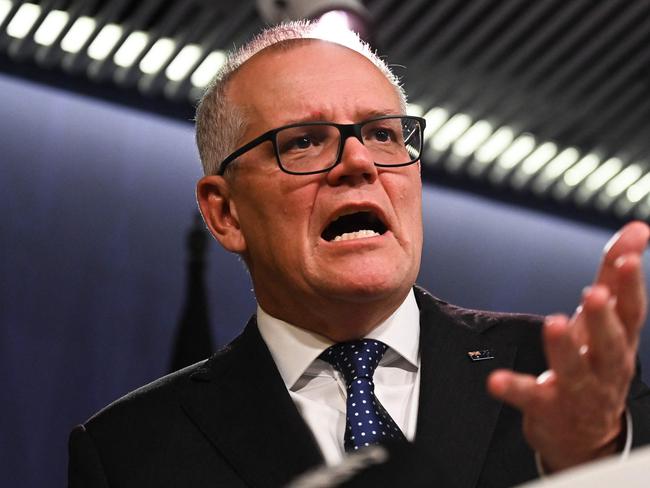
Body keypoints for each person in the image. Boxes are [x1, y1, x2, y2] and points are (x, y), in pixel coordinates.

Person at [68, 21, 650, 487]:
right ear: (225, 213)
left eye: (383, 134)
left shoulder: (557, 376)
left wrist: (591, 464)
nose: (359, 163)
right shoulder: (130, 452)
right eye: (303, 141)